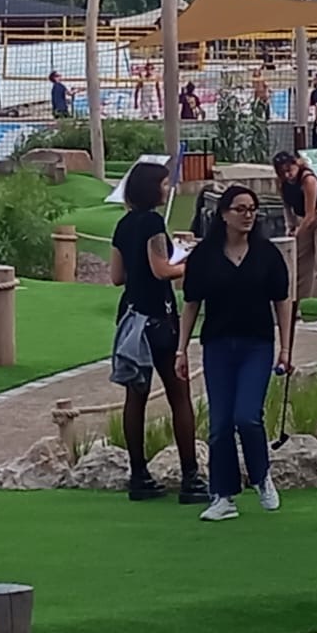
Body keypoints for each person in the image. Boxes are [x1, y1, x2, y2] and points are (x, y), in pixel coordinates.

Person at [177, 185, 293, 522]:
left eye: (252, 209)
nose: (247, 215)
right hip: (217, 345)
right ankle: (223, 496)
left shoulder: (267, 254)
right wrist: (181, 350)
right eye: (240, 209)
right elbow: (191, 303)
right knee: (220, 423)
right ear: (224, 214)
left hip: (256, 344)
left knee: (247, 416)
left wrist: (286, 348)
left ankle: (261, 476)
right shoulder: (204, 255)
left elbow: (282, 301)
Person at [110, 161, 210, 505]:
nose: (168, 189)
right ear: (151, 188)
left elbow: (117, 276)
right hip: (158, 317)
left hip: (131, 315)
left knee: (135, 395)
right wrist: (190, 262)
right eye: (164, 184)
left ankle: (138, 476)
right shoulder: (153, 222)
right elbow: (161, 270)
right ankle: (190, 478)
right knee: (179, 393)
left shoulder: (123, 224)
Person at [274, 151, 317, 321]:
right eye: (282, 172)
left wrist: (297, 234)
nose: (287, 175)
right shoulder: (282, 183)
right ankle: (295, 308)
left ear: (296, 164)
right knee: (298, 263)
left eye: (289, 170)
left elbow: (311, 214)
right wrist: (290, 226)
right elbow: (287, 207)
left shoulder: (308, 180)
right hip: (302, 220)